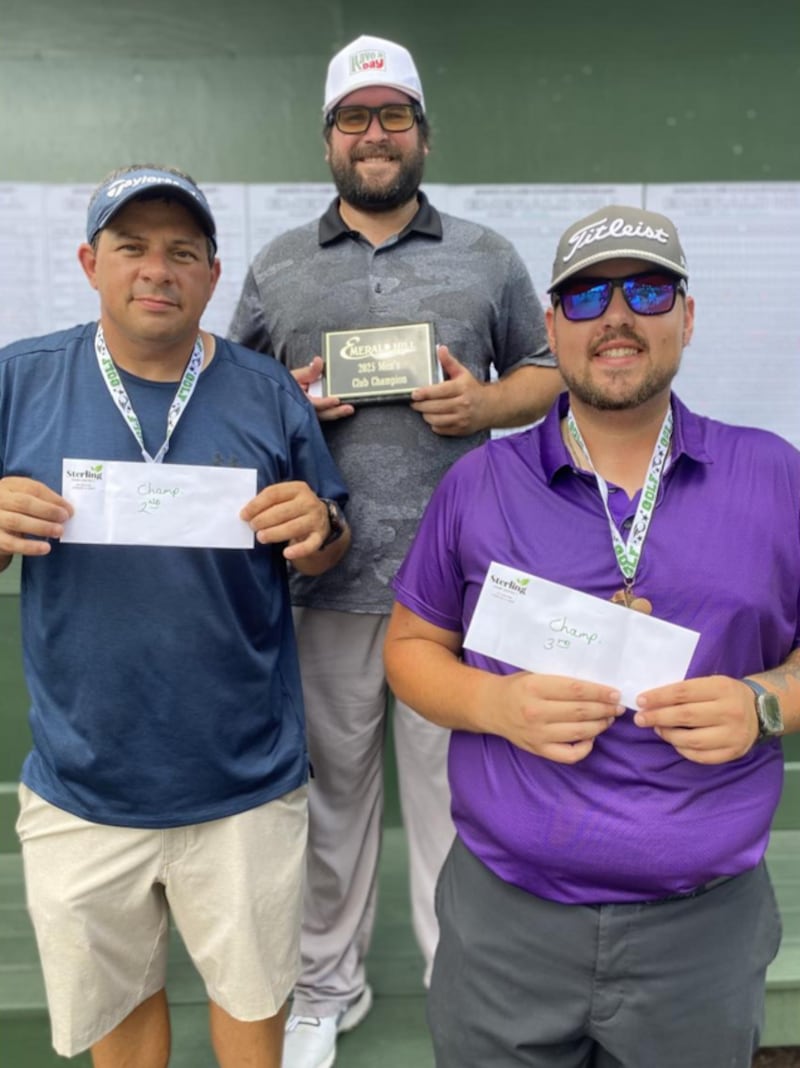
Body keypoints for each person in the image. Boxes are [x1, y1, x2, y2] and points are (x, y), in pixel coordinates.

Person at [384, 203, 800, 1068]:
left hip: (701, 931)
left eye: (648, 292)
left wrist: (766, 703)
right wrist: (493, 703)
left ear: (686, 316)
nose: (616, 317)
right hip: (506, 923)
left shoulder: (774, 475)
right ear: (550, 327)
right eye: (585, 297)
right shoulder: (480, 484)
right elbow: (410, 649)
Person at [228, 32, 562, 1068]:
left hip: (460, 590)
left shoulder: (486, 254)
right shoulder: (278, 264)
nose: (373, 136)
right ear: (328, 138)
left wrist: (484, 401)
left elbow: (548, 372)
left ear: (420, 131)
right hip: (320, 583)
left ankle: (457, 982)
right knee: (332, 804)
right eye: (353, 119)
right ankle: (327, 988)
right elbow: (228, 402)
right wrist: (281, 402)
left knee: (457, 806)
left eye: (392, 116)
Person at [0, 164, 351, 1068]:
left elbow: (330, 533)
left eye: (182, 252)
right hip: (86, 783)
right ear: (90, 262)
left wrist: (319, 527)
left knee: (251, 999)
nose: (157, 269)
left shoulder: (267, 390)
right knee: (120, 1006)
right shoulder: (20, 383)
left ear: (212, 274)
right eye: (133, 247)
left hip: (245, 782)